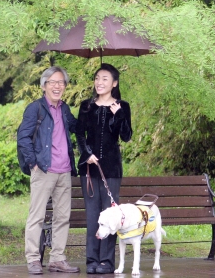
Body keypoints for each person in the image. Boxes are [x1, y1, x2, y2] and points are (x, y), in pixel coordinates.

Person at [17, 66, 80, 275]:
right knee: (37, 216)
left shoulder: (65, 109)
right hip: (43, 170)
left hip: (64, 171)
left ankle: (57, 259)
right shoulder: (35, 108)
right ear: (44, 85)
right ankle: (34, 259)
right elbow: (23, 137)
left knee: (63, 217)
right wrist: (33, 163)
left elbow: (78, 128)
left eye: (61, 82)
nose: (57, 86)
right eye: (52, 82)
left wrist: (95, 106)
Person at [76, 63, 133, 275]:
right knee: (92, 215)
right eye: (97, 78)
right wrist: (86, 154)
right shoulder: (86, 106)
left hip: (111, 169)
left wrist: (119, 115)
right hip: (89, 169)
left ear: (114, 83)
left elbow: (126, 136)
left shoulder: (122, 106)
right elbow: (80, 135)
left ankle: (107, 261)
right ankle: (91, 259)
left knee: (110, 216)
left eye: (105, 79)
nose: (99, 82)